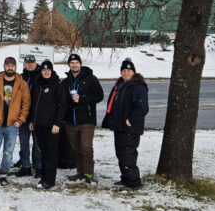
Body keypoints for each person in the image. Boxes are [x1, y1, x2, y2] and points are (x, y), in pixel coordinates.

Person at [0, 57, 31, 188]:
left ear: (16, 67)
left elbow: (26, 103)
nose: (10, 68)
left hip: (12, 124)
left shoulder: (22, 83)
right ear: (4, 66)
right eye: (7, 65)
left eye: (12, 65)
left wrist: (20, 120)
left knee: (8, 152)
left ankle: (3, 173)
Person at [102, 58, 148, 188]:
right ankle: (125, 178)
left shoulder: (138, 87)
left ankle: (133, 182)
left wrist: (130, 120)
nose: (126, 73)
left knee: (128, 155)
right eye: (124, 71)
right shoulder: (119, 86)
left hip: (130, 128)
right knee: (121, 154)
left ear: (133, 72)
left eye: (129, 70)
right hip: (119, 127)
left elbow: (143, 107)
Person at [61, 54, 104, 184]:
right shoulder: (66, 81)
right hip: (70, 121)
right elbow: (62, 99)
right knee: (76, 149)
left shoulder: (91, 79)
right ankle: (80, 172)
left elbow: (99, 96)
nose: (74, 65)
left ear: (80, 64)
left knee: (86, 148)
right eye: (72, 62)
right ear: (69, 65)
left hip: (86, 121)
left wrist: (82, 98)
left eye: (76, 62)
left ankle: (89, 174)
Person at [28, 60, 67, 189]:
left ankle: (50, 180)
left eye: (48, 70)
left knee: (51, 153)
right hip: (39, 125)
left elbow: (62, 106)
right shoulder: (38, 84)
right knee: (43, 151)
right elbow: (34, 104)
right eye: (44, 70)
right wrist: (32, 120)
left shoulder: (57, 85)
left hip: (52, 126)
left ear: (51, 71)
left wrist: (57, 123)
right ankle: (44, 176)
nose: (46, 72)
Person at [15, 54, 43, 178]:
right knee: (24, 143)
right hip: (23, 116)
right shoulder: (20, 78)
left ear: (36, 63)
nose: (30, 64)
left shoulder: (41, 76)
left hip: (37, 115)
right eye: (28, 62)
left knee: (37, 144)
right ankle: (25, 166)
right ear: (24, 64)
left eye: (32, 62)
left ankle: (39, 167)